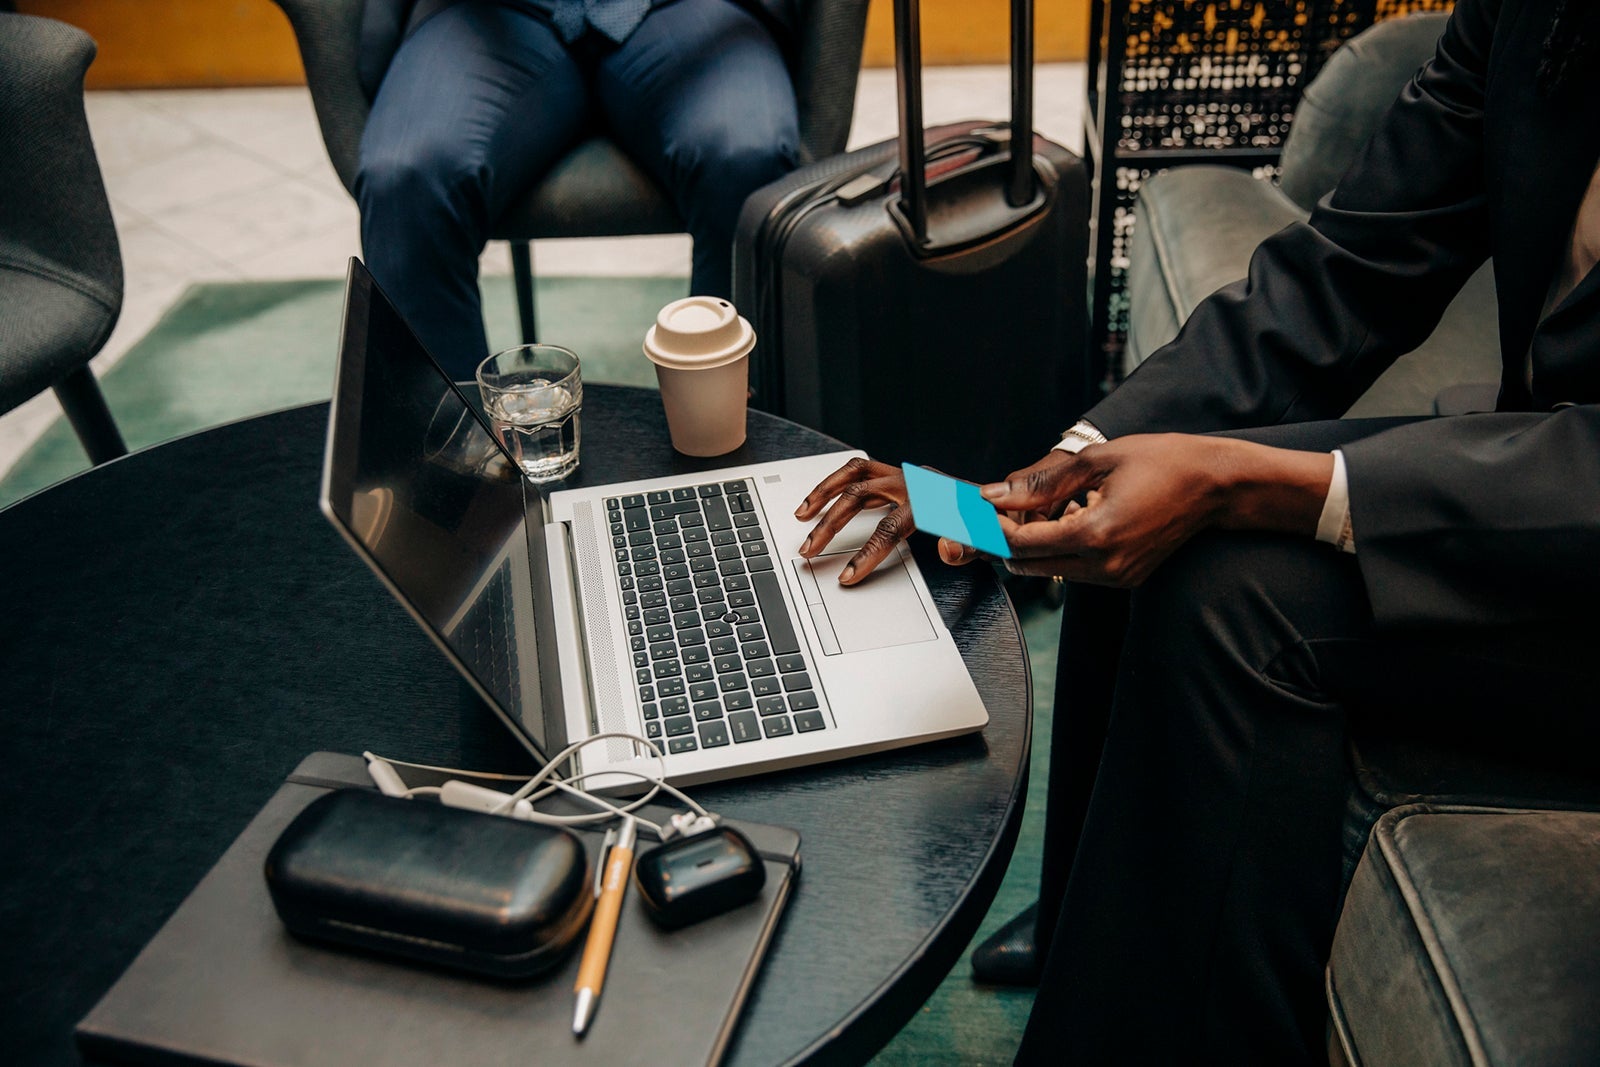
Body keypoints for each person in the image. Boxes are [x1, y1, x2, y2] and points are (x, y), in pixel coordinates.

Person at [794, 0, 1600, 1060]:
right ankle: (1100, 907)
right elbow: (1346, 268)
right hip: (1539, 467)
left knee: (1230, 591)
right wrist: (1041, 476)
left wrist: (1239, 484)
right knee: (1131, 487)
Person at [354, 0, 801, 380]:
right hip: (486, 15)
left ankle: (736, 445)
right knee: (406, 174)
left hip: (684, 11)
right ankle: (446, 462)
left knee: (745, 155)